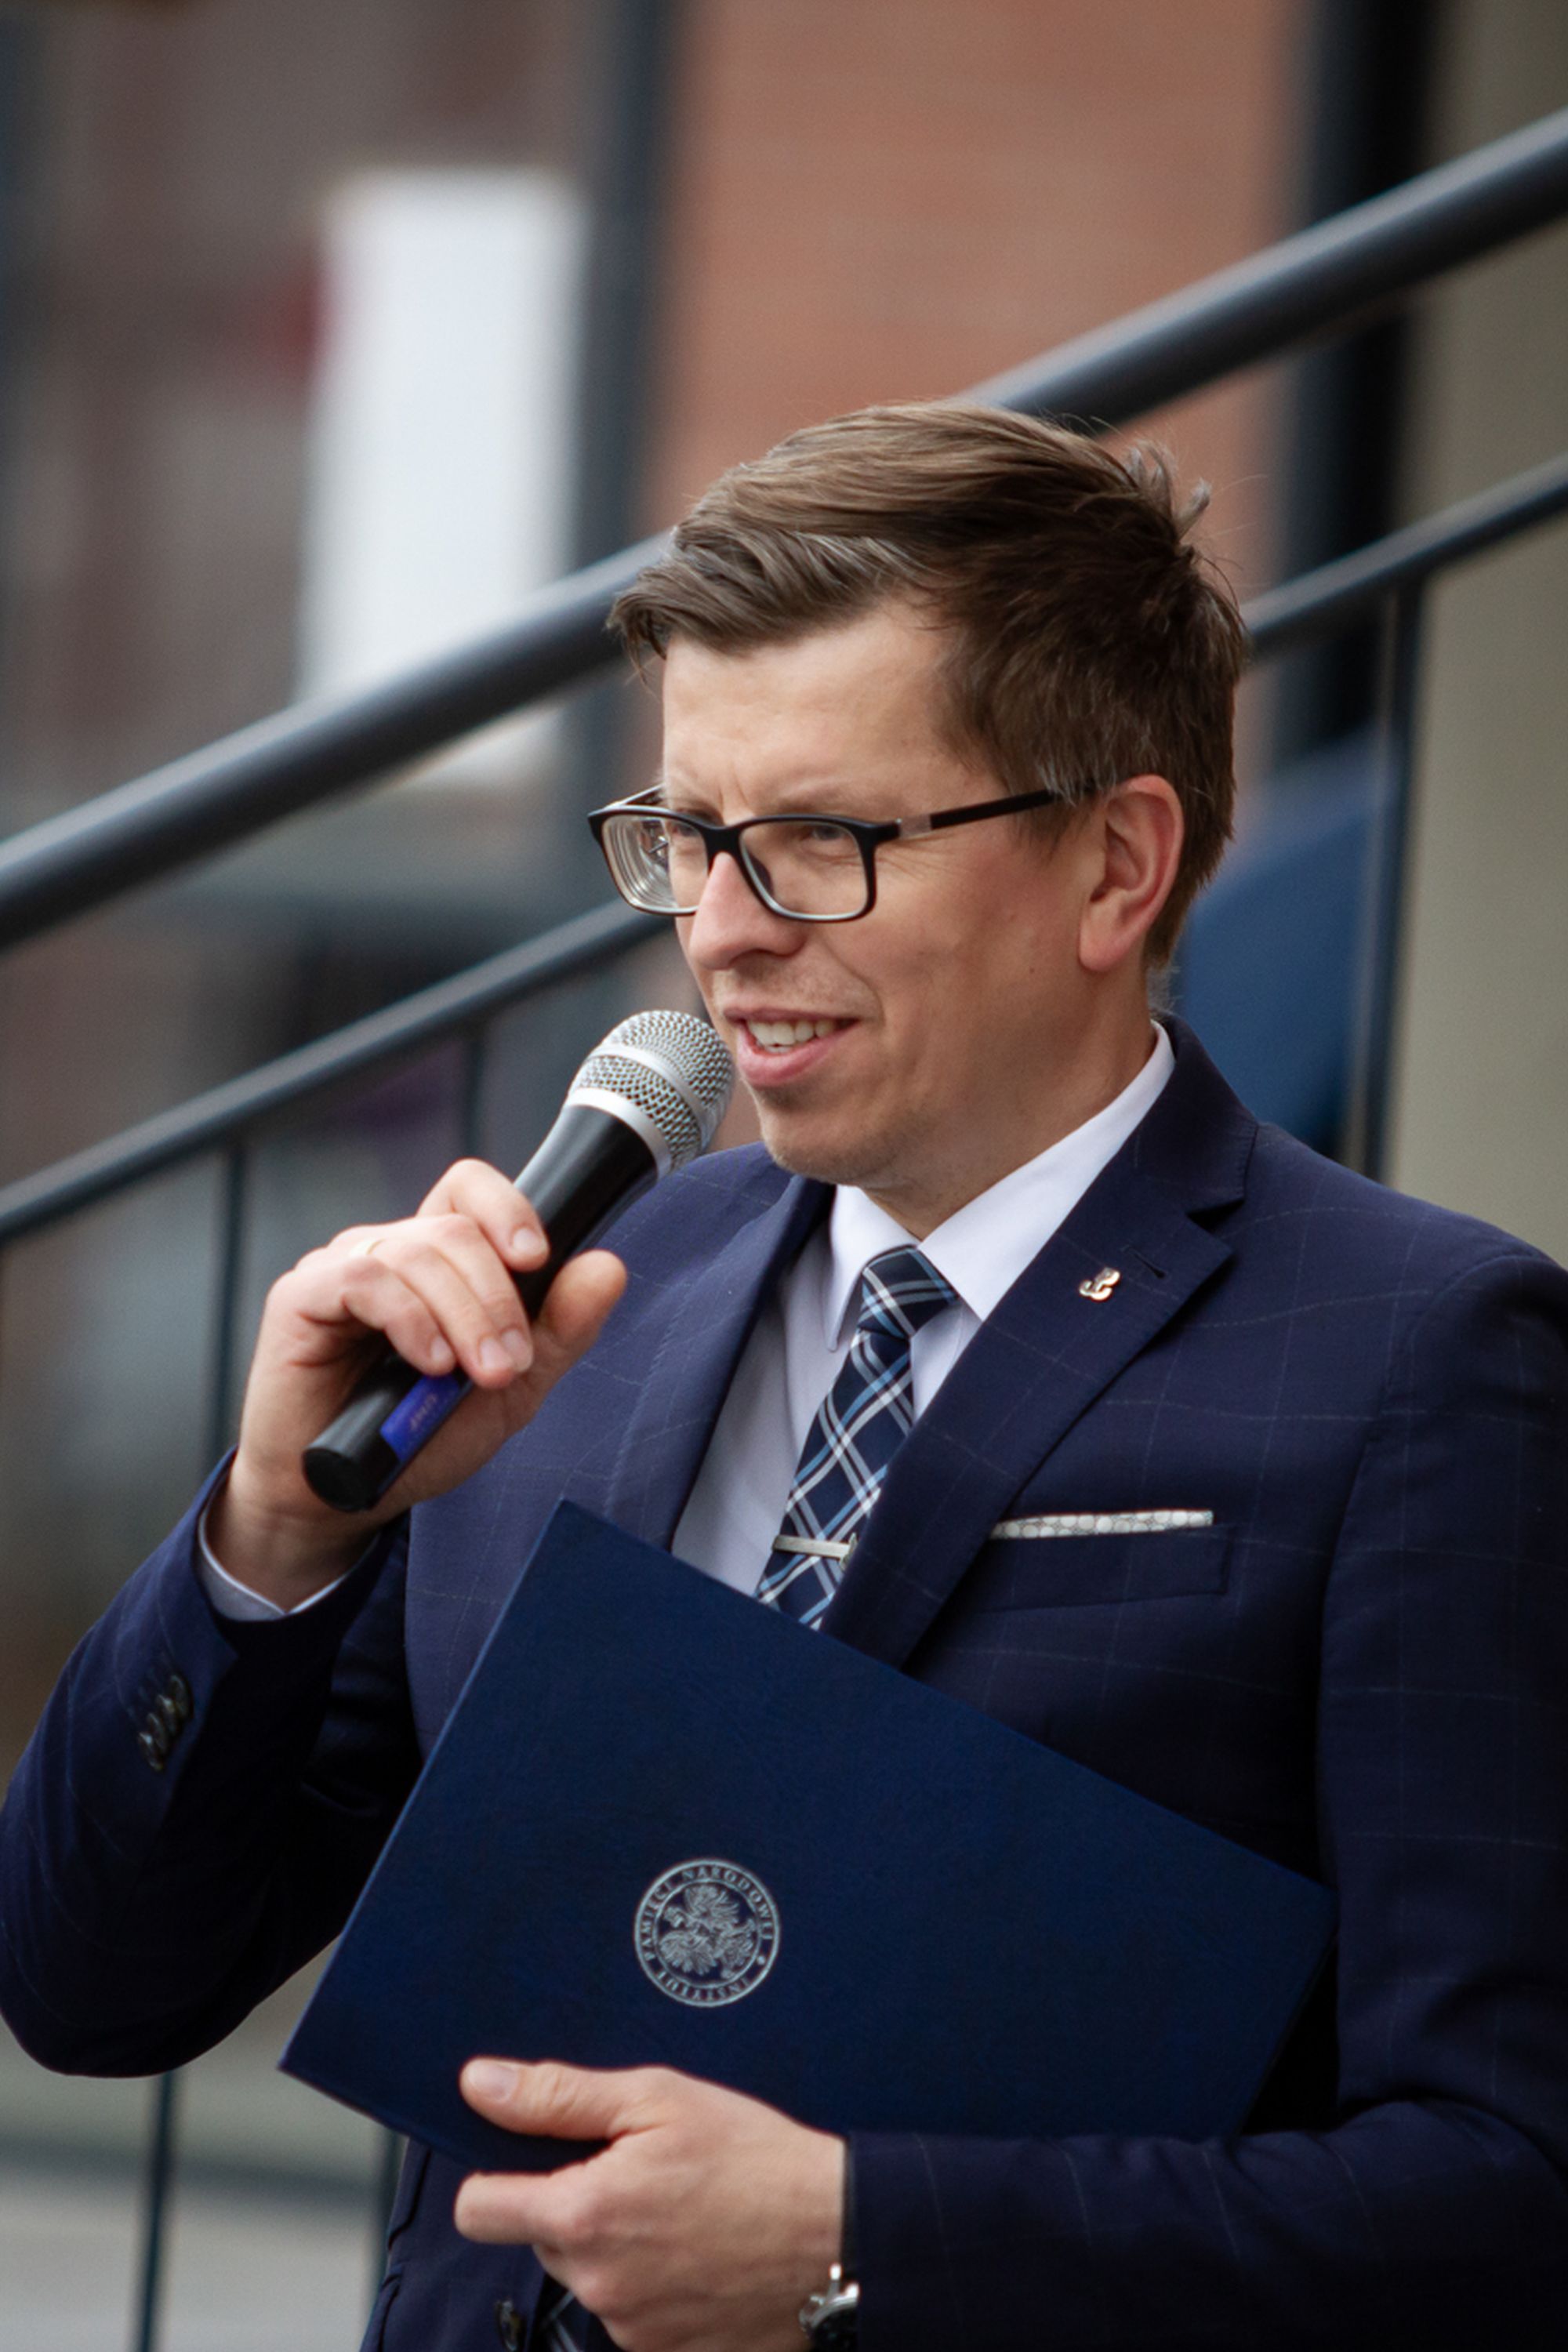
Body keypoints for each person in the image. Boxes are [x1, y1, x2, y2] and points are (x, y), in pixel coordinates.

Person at [4, 404, 1567, 2352]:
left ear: (1116, 864)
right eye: (687, 840)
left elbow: (1506, 2192)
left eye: (821, 842)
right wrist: (269, 1537)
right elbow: (95, 1989)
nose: (726, 935)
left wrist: (856, 2250)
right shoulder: (572, 1314)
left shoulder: (1420, 1357)